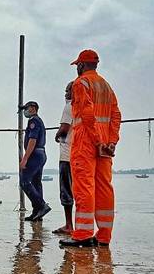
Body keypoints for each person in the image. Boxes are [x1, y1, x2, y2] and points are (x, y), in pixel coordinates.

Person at [60, 49, 121, 247]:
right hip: (104, 143)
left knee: (84, 186)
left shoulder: (81, 83)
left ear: (81, 65)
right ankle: (104, 236)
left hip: (87, 141)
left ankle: (83, 234)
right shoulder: (106, 86)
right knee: (104, 187)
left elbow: (86, 114)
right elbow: (116, 115)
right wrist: (111, 141)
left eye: (77, 65)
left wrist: (96, 141)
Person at [20, 101, 51, 222]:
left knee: (24, 182)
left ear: (33, 108)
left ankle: (41, 205)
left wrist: (25, 158)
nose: (25, 111)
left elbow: (32, 140)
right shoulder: (38, 121)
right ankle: (37, 212)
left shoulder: (34, 121)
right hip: (40, 154)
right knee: (36, 183)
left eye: (26, 109)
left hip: (35, 154)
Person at [53, 82, 75, 234]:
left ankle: (69, 225)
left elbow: (65, 128)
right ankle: (76, 225)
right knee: (77, 191)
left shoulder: (69, 107)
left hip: (67, 155)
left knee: (66, 190)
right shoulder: (82, 107)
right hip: (78, 155)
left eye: (69, 91)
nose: (66, 94)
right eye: (65, 91)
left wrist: (57, 134)